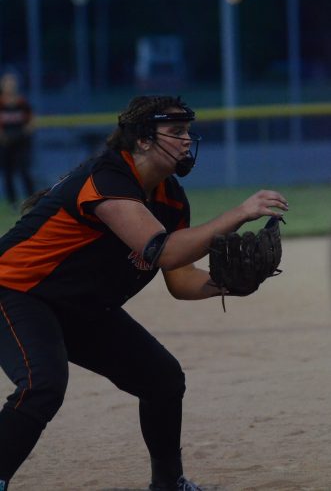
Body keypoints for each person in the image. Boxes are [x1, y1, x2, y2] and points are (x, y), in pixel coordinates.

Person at [0, 95, 288, 491]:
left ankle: (168, 484)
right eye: (175, 132)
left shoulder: (170, 199)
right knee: (41, 385)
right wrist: (239, 214)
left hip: (80, 307)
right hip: (16, 290)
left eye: (187, 131)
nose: (187, 140)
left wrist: (229, 285)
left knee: (162, 380)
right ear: (142, 141)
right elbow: (162, 250)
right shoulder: (106, 178)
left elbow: (179, 277)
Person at [0, 72, 35, 208]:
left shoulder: (21, 102)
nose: (10, 85)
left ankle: (32, 199)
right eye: (7, 83)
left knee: (24, 170)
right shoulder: (1, 103)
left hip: (21, 141)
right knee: (8, 173)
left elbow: (31, 119)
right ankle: (13, 202)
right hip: (6, 142)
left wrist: (27, 130)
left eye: (12, 83)